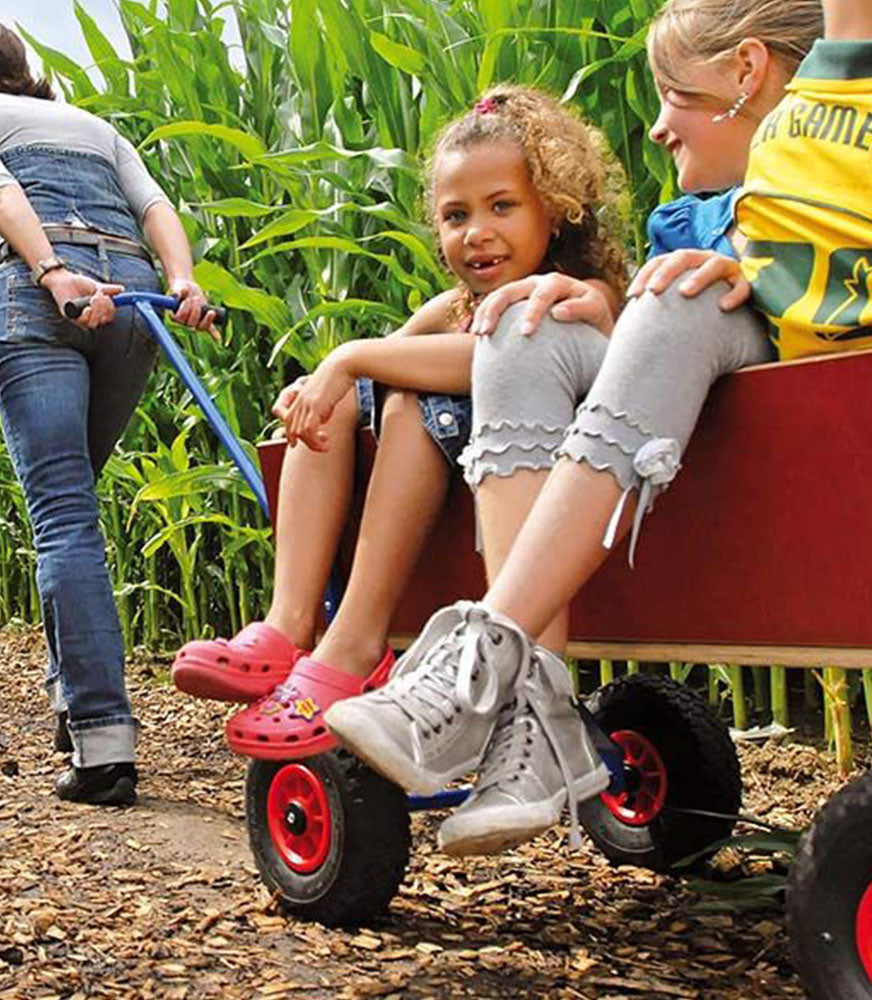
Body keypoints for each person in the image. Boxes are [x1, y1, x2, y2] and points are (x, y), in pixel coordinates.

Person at [325, 0, 832, 857]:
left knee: (679, 296)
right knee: (528, 322)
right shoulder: (693, 222)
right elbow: (636, 346)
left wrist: (743, 271)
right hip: (663, 412)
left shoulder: (829, 176)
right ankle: (536, 717)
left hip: (790, 423)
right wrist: (600, 307)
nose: (660, 123)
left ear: (748, 73)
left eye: (673, 92)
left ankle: (485, 664)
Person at [173, 85, 628, 762]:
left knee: (411, 402)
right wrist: (326, 382)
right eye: (454, 215)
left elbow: (487, 360)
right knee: (347, 398)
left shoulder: (577, 296)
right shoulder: (452, 306)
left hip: (545, 502)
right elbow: (391, 362)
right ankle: (287, 623)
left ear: (556, 210)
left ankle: (354, 642)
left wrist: (349, 354)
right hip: (462, 502)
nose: (476, 232)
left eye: (502, 206)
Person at [0, 16, 218, 805]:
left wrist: (52, 271)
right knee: (74, 506)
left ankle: (101, 743)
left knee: (63, 519)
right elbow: (155, 209)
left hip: (43, 302)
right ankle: (70, 697)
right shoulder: (94, 125)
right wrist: (184, 280)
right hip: (134, 305)